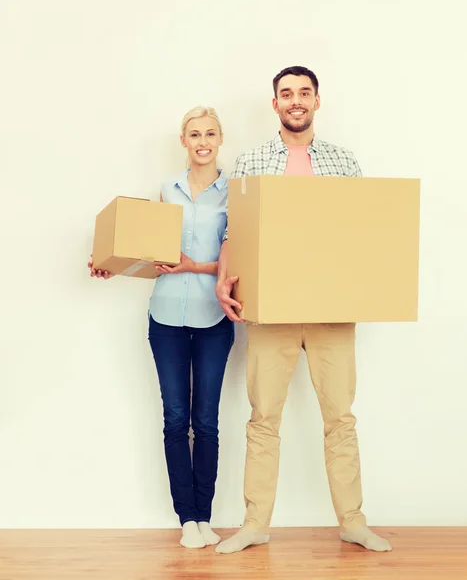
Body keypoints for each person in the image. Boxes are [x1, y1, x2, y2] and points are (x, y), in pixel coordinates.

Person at [214, 67, 392, 554]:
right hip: (271, 308)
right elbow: (235, 232)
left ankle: (353, 522)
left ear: (317, 101)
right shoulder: (251, 160)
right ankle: (254, 525)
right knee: (262, 416)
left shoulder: (344, 161)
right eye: (286, 94)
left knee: (340, 417)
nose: (296, 101)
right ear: (274, 104)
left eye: (304, 93)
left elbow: (361, 231)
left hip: (332, 307)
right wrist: (223, 281)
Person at [89, 106, 234, 549]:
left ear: (220, 138)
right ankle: (186, 517)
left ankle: (205, 516)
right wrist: (111, 265)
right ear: (183, 141)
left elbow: (240, 258)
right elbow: (147, 249)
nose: (202, 140)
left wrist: (197, 266)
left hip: (213, 318)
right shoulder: (165, 192)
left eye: (210, 133)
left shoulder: (236, 194)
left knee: (205, 421)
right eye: (194, 134)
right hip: (166, 317)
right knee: (175, 418)